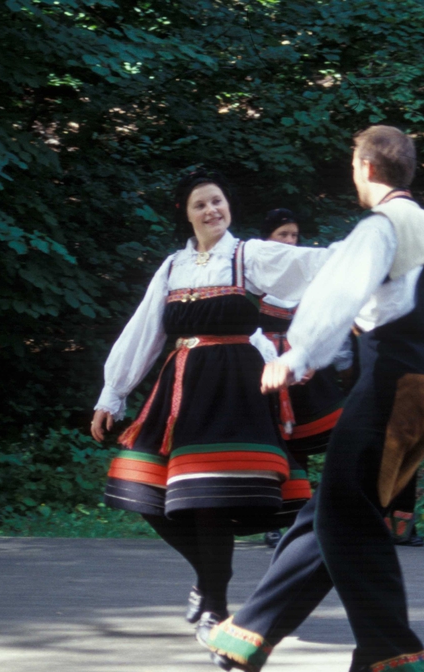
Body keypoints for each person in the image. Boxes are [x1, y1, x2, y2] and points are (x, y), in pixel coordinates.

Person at [203, 126, 424, 672]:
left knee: (349, 517)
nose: (353, 174)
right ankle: (247, 638)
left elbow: (339, 293)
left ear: (367, 169)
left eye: (353, 165)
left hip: (393, 384)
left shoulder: (382, 227)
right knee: (330, 511)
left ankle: (395, 653)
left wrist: (299, 354)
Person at [90, 170, 326, 642]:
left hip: (234, 388)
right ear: (187, 213)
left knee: (210, 501)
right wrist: (112, 393)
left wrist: (376, 252)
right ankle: (209, 577)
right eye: (201, 204)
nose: (212, 211)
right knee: (144, 491)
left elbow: (316, 266)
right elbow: (144, 331)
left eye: (217, 201)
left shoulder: (249, 255)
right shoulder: (174, 265)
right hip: (181, 386)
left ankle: (215, 608)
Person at [252, 208, 354, 549]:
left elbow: (327, 323)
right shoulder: (251, 278)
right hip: (265, 369)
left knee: (304, 447)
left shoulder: (310, 278)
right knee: (272, 447)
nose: (290, 241)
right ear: (267, 240)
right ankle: (270, 519)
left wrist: (329, 361)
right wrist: (273, 359)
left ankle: (302, 517)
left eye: (294, 235)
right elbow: (245, 327)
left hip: (305, 370)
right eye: (283, 235)